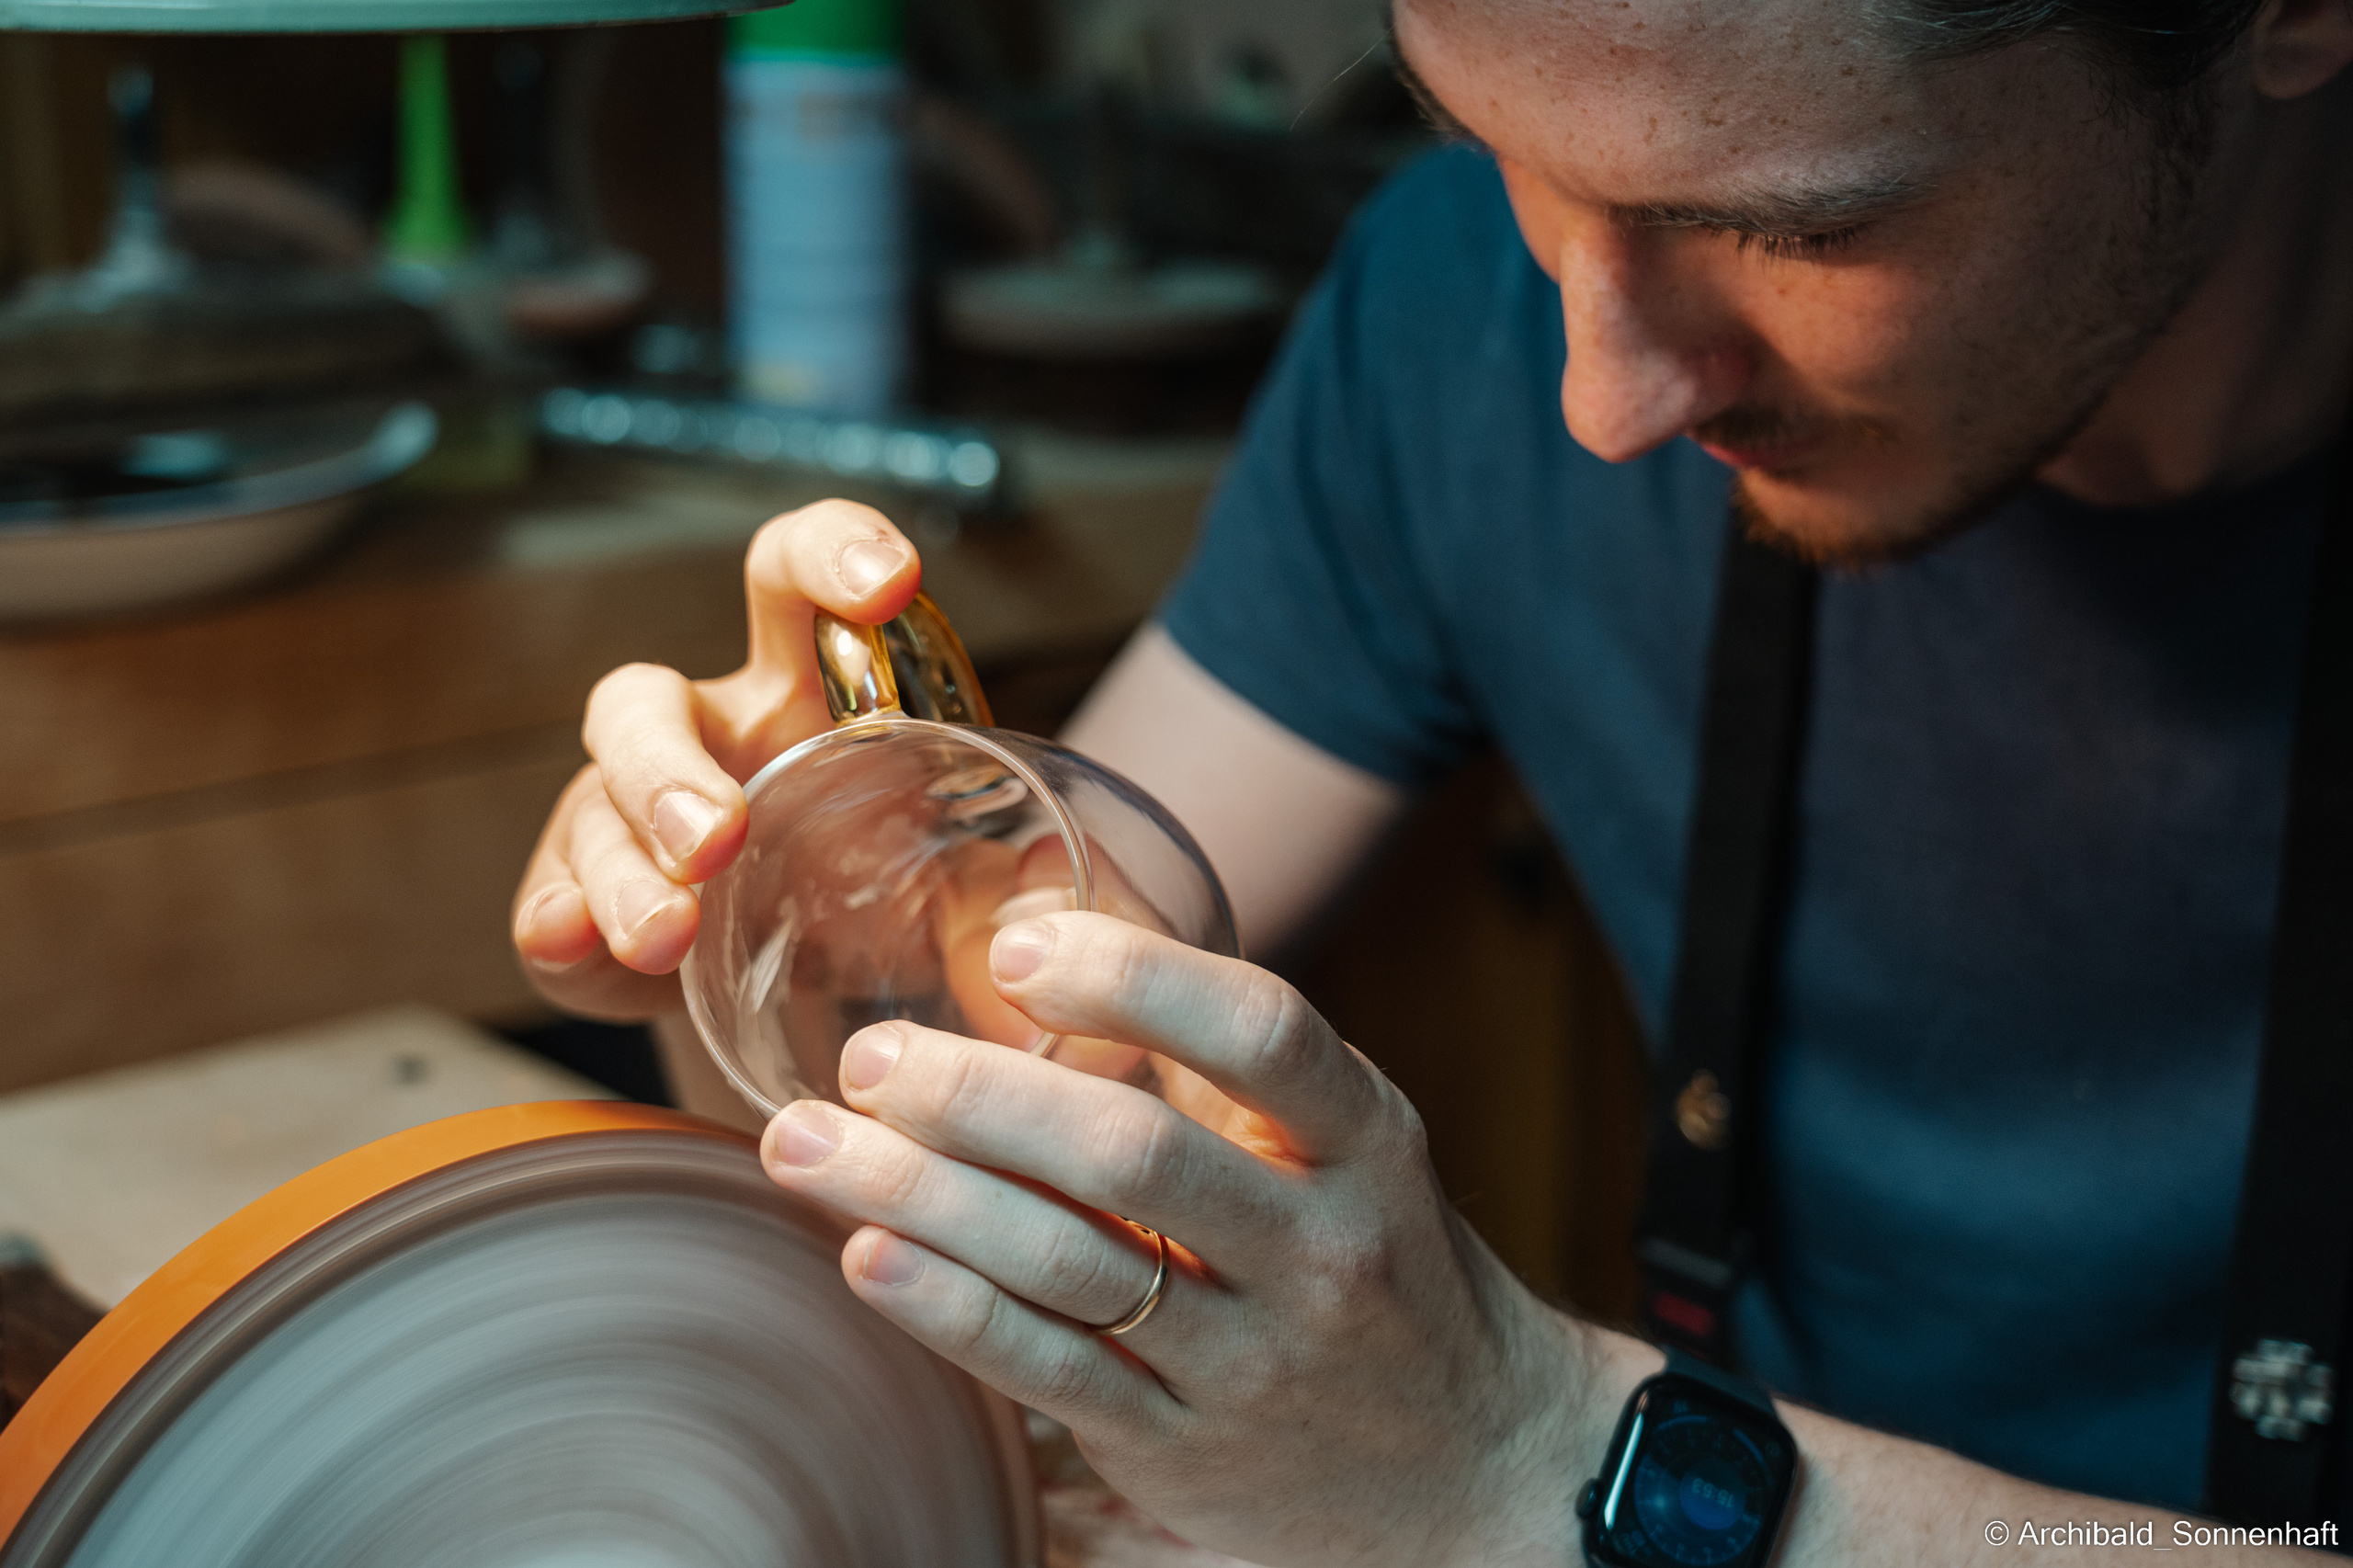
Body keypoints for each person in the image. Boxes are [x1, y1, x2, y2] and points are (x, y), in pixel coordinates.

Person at [511, 0, 2353, 1561]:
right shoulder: (1451, 318)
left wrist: (1527, 1452)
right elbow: (1002, 1038)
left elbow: (1510, 1470)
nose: (1599, 397)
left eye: (1794, 231)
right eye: (1494, 153)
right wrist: (805, 896)